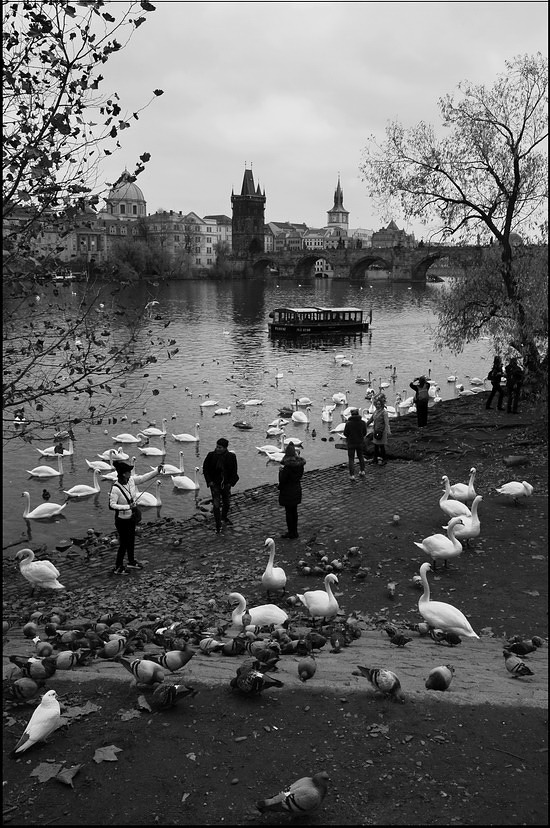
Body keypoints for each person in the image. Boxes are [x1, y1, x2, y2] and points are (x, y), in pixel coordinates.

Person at [109, 459, 164, 575]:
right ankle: (118, 566)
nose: (131, 473)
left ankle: (131, 561)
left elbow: (143, 478)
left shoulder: (131, 481)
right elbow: (111, 505)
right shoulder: (115, 488)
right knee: (123, 543)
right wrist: (127, 507)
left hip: (131, 517)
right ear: (124, 473)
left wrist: (156, 471)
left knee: (131, 540)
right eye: (129, 471)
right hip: (121, 520)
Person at [202, 437, 239, 533]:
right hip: (215, 484)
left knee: (226, 503)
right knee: (216, 504)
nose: (217, 449)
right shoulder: (211, 456)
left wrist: (230, 483)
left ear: (225, 448)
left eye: (220, 447)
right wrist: (209, 481)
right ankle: (218, 524)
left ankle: (224, 517)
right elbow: (205, 469)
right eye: (217, 447)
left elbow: (234, 471)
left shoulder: (231, 457)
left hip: (226, 484)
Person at [278, 442, 306, 539]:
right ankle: (295, 532)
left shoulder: (287, 468)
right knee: (294, 511)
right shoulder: (300, 466)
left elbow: (282, 481)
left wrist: (280, 472)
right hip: (297, 490)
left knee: (289, 512)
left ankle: (291, 532)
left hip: (288, 492)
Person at [364, 393, 391, 465]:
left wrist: (387, 431)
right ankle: (375, 459)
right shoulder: (375, 412)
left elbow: (386, 422)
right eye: (377, 404)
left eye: (379, 404)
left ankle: (384, 460)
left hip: (382, 431)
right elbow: (371, 420)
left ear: (382, 404)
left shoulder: (384, 413)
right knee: (375, 446)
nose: (378, 405)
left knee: (381, 446)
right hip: (376, 431)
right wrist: (365, 426)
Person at [343, 407, 367, 480]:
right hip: (360, 442)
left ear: (351, 414)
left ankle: (352, 475)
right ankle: (362, 471)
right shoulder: (363, 423)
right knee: (360, 456)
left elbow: (345, 433)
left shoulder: (348, 423)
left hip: (351, 443)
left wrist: (350, 437)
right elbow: (364, 433)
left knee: (351, 459)